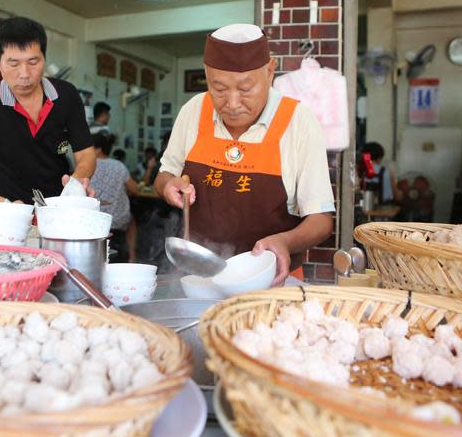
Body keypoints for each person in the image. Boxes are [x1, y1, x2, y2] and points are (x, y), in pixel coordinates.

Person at [154, 23, 334, 285]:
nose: (233, 103)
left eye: (246, 89)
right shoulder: (194, 110)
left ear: (270, 72)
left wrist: (285, 241)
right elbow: (163, 175)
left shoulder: (299, 121)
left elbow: (321, 219)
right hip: (200, 280)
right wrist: (169, 184)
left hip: (272, 283)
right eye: (220, 89)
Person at [0, 16, 95, 203]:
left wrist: (75, 186)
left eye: (33, 62)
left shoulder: (66, 96)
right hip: (5, 215)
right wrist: (7, 208)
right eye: (14, 63)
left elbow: (86, 154)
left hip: (57, 208)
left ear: (44, 58)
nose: (25, 74)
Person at [90, 134, 139, 262]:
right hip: (118, 219)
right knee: (132, 220)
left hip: (95, 220)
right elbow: (135, 189)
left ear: (98, 149)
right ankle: (132, 257)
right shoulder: (119, 166)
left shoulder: (88, 167)